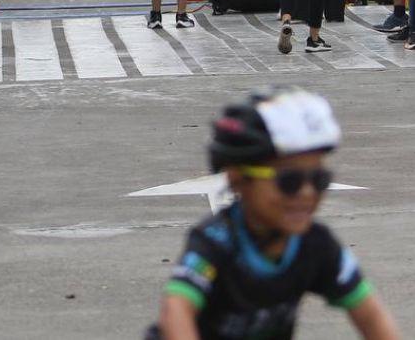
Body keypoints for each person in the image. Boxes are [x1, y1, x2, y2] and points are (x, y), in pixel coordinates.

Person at [147, 88, 400, 340]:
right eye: (289, 181)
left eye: (319, 179)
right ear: (238, 180)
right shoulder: (215, 240)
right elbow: (176, 310)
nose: (306, 193)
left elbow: (371, 314)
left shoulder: (316, 244)